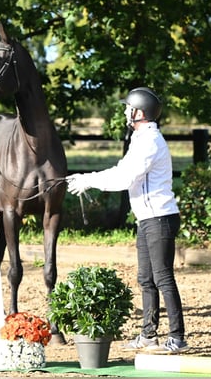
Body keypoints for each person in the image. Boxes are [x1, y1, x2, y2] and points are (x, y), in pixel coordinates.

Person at [66, 86, 189, 354]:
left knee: (163, 278)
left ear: (138, 112)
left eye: (127, 108)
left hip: (159, 217)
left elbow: (124, 178)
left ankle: (177, 337)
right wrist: (86, 178)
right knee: (145, 278)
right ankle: (148, 335)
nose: (124, 111)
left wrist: (88, 181)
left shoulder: (150, 142)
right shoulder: (140, 139)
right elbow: (120, 170)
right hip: (147, 218)